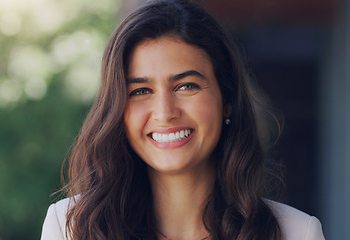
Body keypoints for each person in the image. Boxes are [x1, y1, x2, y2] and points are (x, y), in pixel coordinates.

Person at [40, 0, 325, 239]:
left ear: (226, 100)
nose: (165, 112)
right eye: (140, 91)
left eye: (186, 86)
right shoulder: (70, 228)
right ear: (116, 110)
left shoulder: (297, 232)